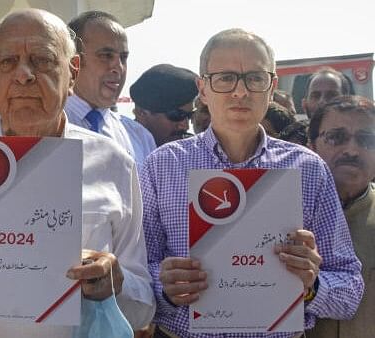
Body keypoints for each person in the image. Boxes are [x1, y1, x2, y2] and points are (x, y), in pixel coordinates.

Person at [0, 9, 154, 337]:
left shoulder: (113, 162)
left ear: (72, 71)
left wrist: (116, 284)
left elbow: (143, 303)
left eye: (42, 59)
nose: (23, 75)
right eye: (7, 62)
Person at [141, 28, 363, 338]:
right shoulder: (162, 166)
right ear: (202, 90)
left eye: (255, 78)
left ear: (271, 87)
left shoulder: (308, 170)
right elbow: (136, 273)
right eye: (225, 78)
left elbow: (349, 289)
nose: (240, 92)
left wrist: (311, 286)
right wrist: (163, 286)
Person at [306, 95, 375, 338]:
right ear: (311, 146)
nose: (352, 150)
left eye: (366, 140)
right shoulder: (279, 213)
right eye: (336, 137)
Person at [66, 11, 155, 167]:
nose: (118, 67)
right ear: (74, 62)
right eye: (106, 55)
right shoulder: (43, 128)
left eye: (123, 57)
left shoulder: (140, 138)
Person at [131, 64, 197, 146]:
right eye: (176, 115)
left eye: (190, 116)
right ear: (142, 113)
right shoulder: (120, 149)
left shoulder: (192, 148)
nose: (185, 126)